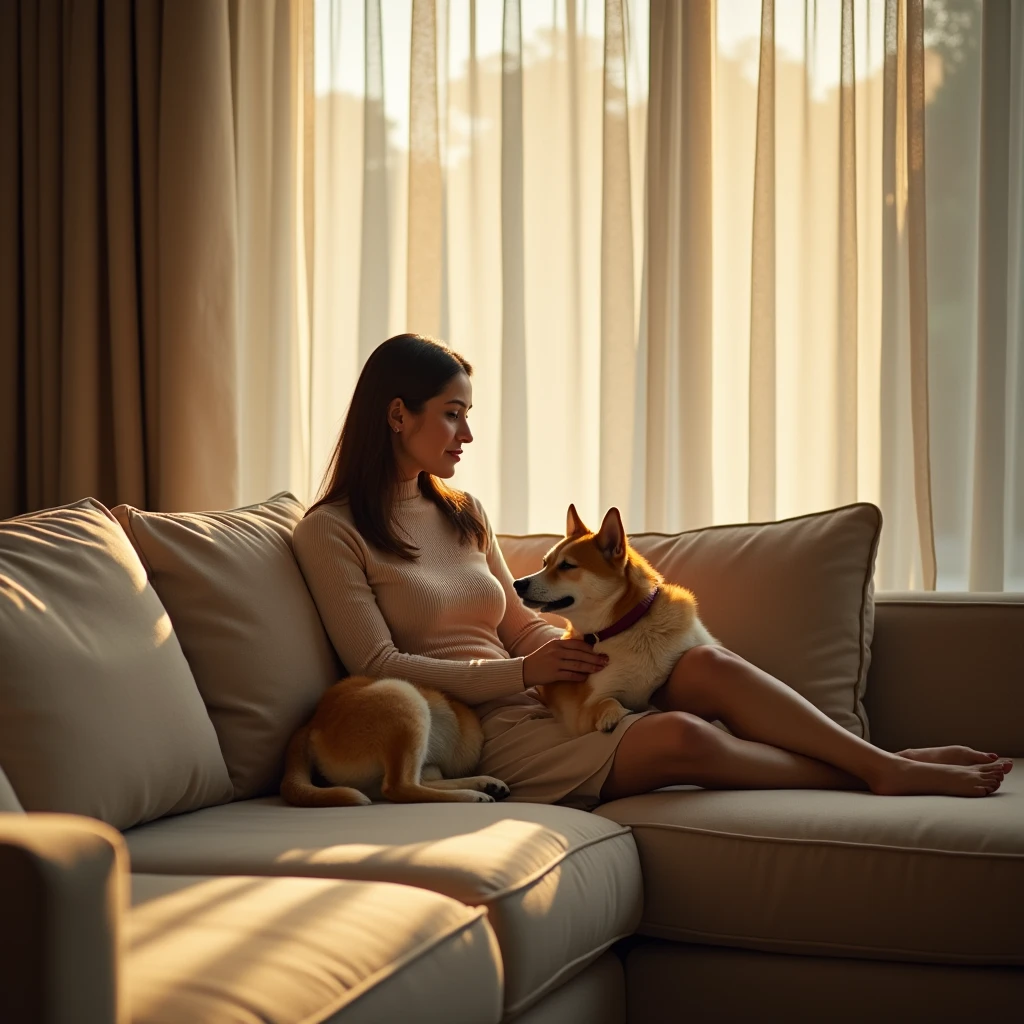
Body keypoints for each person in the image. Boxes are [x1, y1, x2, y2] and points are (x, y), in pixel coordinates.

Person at [292, 334, 1010, 808]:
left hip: (538, 691)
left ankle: (875, 760)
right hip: (474, 727)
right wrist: (523, 677)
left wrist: (564, 649)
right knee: (684, 739)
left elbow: (513, 620)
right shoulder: (331, 532)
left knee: (706, 668)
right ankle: (880, 771)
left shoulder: (461, 510)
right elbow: (378, 661)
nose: (468, 435)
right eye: (453, 415)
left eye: (468, 416)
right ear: (396, 415)